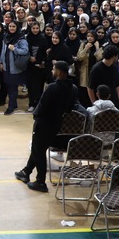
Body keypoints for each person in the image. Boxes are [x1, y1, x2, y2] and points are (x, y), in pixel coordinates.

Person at [15, 60, 79, 193]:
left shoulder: (52, 87)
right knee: (39, 148)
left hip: (44, 123)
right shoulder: (73, 88)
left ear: (59, 72)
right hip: (57, 123)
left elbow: (42, 106)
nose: (52, 71)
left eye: (54, 69)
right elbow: (69, 108)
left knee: (38, 150)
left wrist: (36, 116)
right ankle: (26, 171)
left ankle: (40, 181)